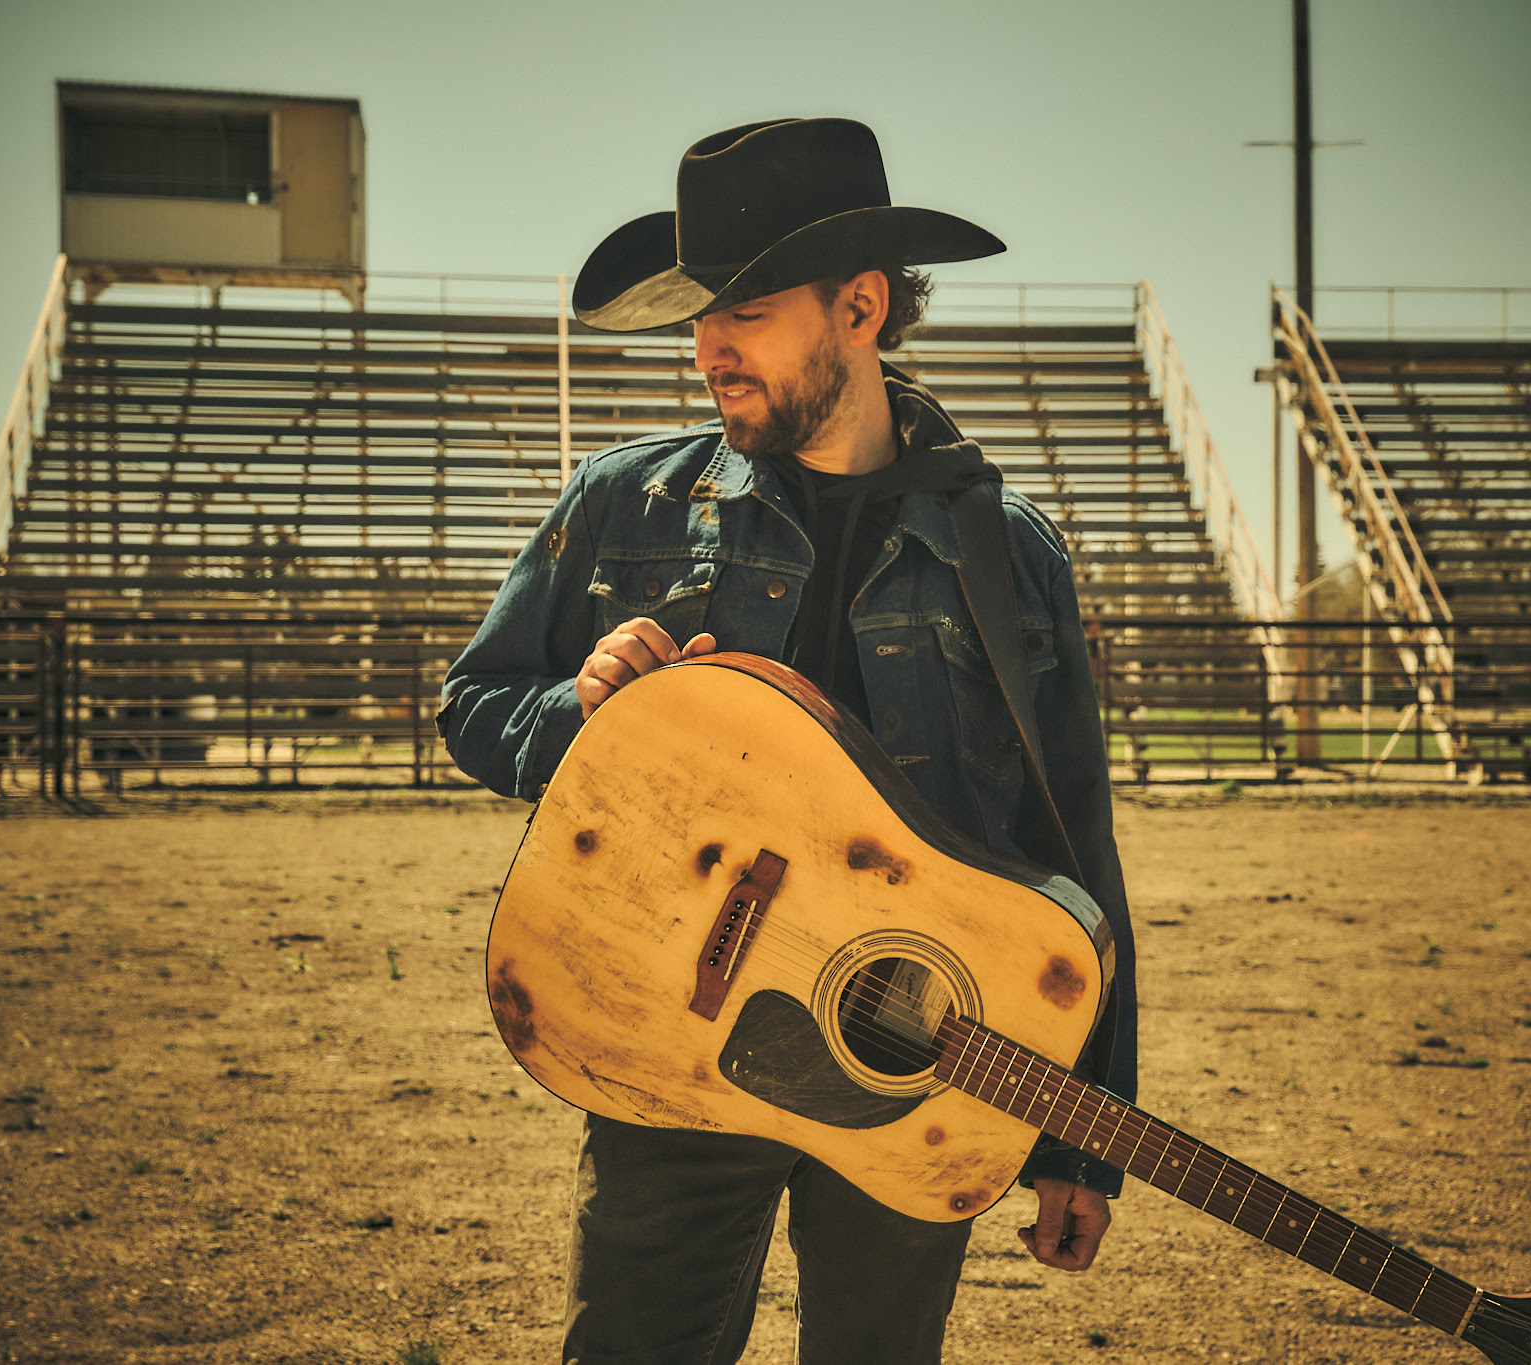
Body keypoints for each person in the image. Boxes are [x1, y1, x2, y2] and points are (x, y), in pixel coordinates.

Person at [438, 117, 1138, 1364]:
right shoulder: (622, 502)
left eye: (745, 309)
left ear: (859, 306)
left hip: (906, 1060)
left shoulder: (1006, 549)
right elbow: (475, 706)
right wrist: (580, 719)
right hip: (663, 1038)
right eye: (696, 315)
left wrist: (1080, 1134)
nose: (707, 348)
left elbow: (1070, 842)